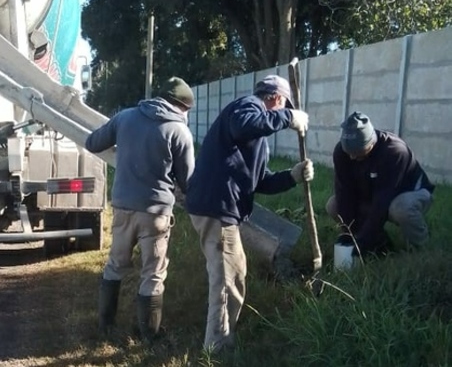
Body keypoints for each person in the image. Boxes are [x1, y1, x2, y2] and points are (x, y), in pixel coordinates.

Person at [185, 74, 314, 353]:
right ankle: (217, 348)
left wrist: (292, 176)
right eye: (283, 107)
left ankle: (219, 338)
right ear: (277, 99)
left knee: (234, 271)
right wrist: (288, 118)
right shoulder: (248, 106)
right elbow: (244, 125)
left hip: (217, 206)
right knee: (227, 279)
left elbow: (260, 181)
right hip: (216, 206)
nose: (283, 113)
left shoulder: (255, 136)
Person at [85, 77, 196, 342]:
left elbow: (92, 143)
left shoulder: (125, 118)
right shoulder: (179, 131)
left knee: (115, 265)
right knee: (153, 273)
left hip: (123, 206)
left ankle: (105, 325)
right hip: (155, 213)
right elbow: (189, 182)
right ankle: (149, 335)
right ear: (182, 106)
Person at [327, 111, 434, 256]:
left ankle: (420, 250)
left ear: (371, 143)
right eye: (349, 152)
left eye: (358, 152)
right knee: (334, 205)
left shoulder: (394, 152)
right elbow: (344, 192)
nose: (352, 157)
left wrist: (364, 241)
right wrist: (349, 234)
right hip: (374, 194)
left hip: (409, 193)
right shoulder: (341, 153)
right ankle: (381, 244)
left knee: (400, 209)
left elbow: (382, 200)